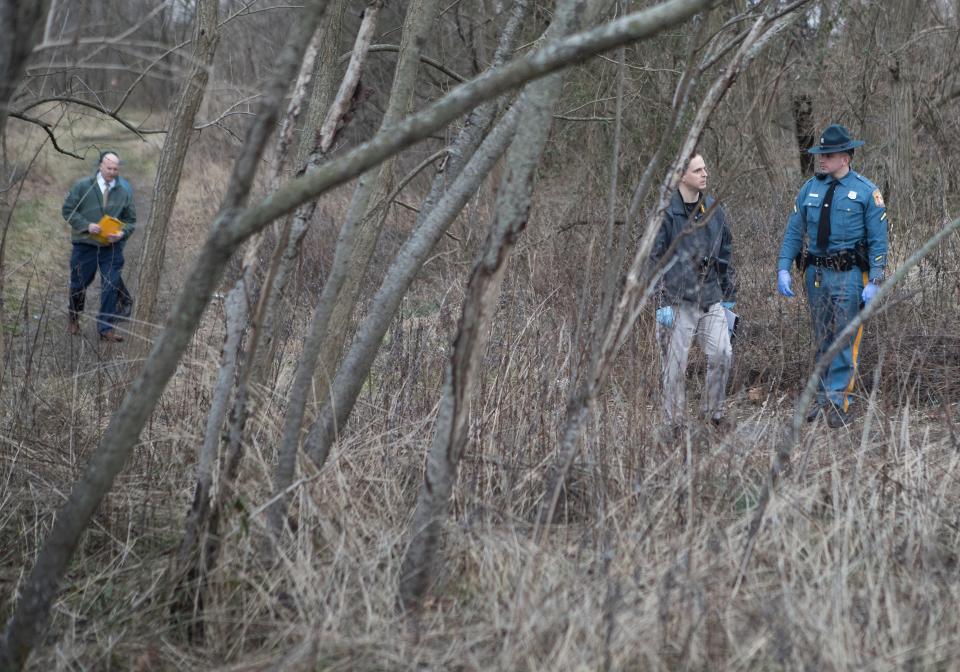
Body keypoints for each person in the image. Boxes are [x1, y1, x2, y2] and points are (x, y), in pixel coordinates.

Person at [776, 124, 888, 428]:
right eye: (820, 153)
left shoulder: (867, 192)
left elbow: (879, 241)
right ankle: (824, 398)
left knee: (845, 338)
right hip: (816, 274)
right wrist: (784, 266)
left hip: (850, 275)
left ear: (846, 157)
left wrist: (875, 279)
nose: (821, 159)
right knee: (823, 337)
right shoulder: (809, 188)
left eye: (829, 154)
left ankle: (840, 401)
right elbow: (794, 231)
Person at [652, 152, 736, 437]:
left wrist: (728, 293)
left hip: (710, 296)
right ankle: (674, 423)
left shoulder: (713, 209)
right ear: (681, 175)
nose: (705, 174)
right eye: (698, 169)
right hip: (676, 300)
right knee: (675, 366)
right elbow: (652, 259)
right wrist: (660, 302)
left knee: (722, 353)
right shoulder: (665, 213)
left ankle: (715, 413)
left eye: (705, 168)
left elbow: (725, 252)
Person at [62, 150, 137, 342]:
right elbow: (68, 210)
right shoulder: (83, 186)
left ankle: (106, 328)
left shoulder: (124, 189)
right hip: (84, 245)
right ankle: (74, 318)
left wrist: (122, 233)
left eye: (115, 169)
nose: (112, 172)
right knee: (79, 284)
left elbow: (130, 220)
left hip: (111, 248)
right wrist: (86, 226)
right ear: (100, 166)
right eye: (109, 168)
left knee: (110, 285)